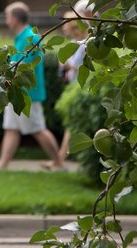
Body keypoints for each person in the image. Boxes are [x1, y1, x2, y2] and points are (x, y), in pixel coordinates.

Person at [0, 2, 65, 171]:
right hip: (15, 92)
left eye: (7, 17)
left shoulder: (29, 37)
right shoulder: (23, 37)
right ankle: (2, 165)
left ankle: (59, 163)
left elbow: (19, 66)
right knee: (11, 128)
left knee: (38, 129)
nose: (6, 20)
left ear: (15, 19)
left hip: (27, 94)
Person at [56, 9, 91, 161]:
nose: (63, 27)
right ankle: (61, 158)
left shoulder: (85, 45)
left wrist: (65, 63)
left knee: (72, 124)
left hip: (81, 89)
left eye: (66, 24)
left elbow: (75, 65)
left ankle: (60, 159)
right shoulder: (73, 44)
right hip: (73, 86)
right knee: (71, 124)